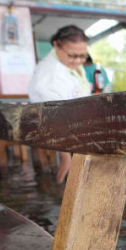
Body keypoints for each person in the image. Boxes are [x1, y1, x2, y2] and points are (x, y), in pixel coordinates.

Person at [27, 25, 92, 184]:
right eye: (72, 55)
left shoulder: (69, 65)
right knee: (71, 182)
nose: (77, 61)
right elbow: (52, 116)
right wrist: (65, 156)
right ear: (56, 45)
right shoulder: (49, 73)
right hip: (61, 137)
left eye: (82, 56)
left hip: (78, 131)